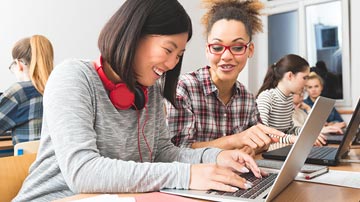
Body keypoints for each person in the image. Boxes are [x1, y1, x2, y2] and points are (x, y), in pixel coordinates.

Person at [14, 1, 264, 201]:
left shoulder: (150, 91)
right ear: (133, 34)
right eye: (168, 50)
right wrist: (188, 175)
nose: (172, 64)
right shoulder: (73, 77)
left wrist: (215, 157)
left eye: (179, 55)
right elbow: (84, 172)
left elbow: (164, 153)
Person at [165, 0, 285, 156]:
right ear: (207, 50)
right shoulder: (184, 88)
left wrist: (251, 147)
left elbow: (261, 141)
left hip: (238, 175)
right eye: (217, 47)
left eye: (237, 47)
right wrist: (234, 140)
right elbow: (177, 151)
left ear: (250, 50)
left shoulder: (246, 97)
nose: (227, 56)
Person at [256, 54, 326, 146]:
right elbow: (263, 133)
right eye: (304, 78)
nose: (306, 83)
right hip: (267, 151)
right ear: (290, 76)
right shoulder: (267, 97)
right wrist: (292, 139)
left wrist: (308, 134)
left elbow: (289, 129)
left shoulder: (288, 99)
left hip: (282, 148)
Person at [0, 35, 54, 145]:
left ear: (19, 64)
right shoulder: (58, 88)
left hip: (27, 162)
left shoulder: (19, 92)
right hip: (58, 160)